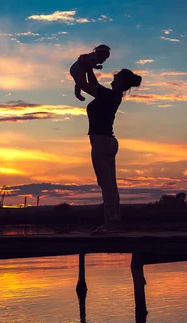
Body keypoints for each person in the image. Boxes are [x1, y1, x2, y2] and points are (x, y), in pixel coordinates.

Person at [77, 68, 142, 234]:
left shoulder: (110, 95)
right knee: (110, 185)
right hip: (107, 142)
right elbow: (94, 84)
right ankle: (113, 222)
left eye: (117, 75)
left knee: (106, 185)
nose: (113, 76)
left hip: (101, 142)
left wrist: (83, 66)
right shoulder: (110, 95)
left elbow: (86, 85)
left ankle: (110, 225)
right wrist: (89, 68)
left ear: (121, 82)